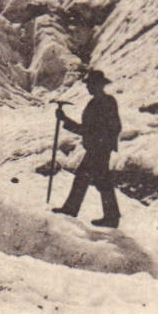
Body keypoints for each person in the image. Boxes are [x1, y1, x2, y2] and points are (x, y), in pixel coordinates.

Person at [53, 69, 122, 227]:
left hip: (100, 149)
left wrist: (103, 141)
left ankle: (73, 209)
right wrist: (65, 119)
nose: (87, 87)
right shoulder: (96, 102)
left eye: (90, 84)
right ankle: (111, 216)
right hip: (97, 148)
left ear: (98, 85)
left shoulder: (106, 102)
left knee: (86, 177)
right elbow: (87, 128)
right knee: (97, 179)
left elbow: (112, 126)